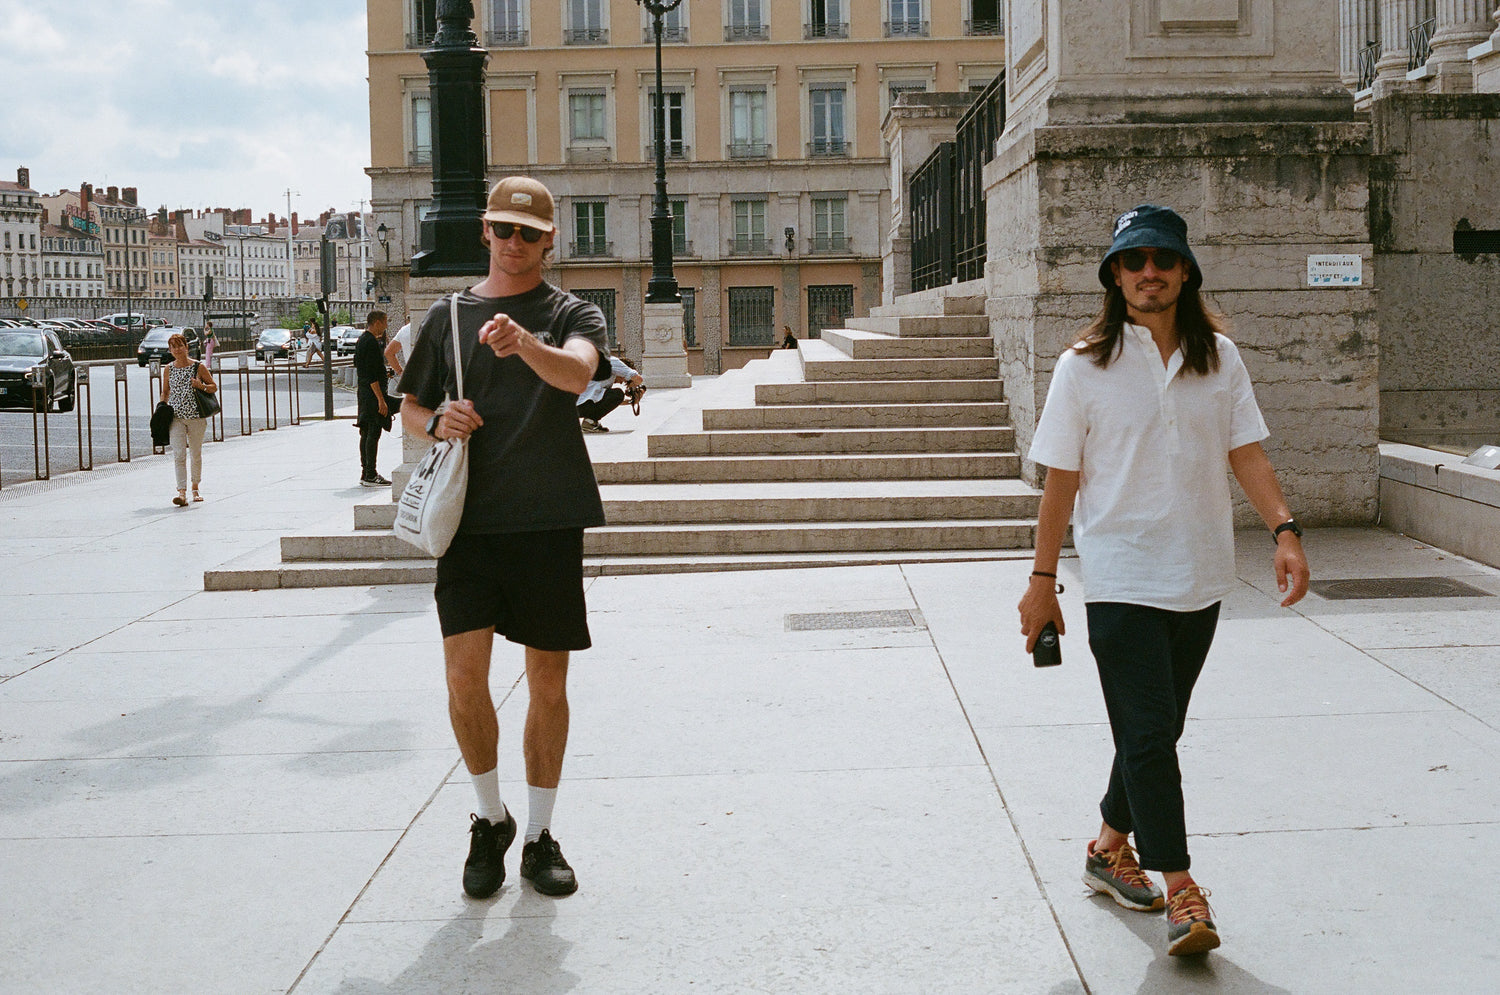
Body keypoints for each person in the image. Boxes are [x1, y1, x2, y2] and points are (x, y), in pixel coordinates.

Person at [1016, 204, 1310, 958]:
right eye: (1134, 260)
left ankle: (1107, 848)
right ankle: (1181, 888)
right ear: (1115, 275)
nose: (1149, 272)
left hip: (1201, 576)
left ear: (1185, 271)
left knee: (1154, 731)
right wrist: (1043, 580)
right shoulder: (1083, 365)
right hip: (1119, 576)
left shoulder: (1221, 359)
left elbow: (1247, 452)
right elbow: (1059, 480)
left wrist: (1284, 530)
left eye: (1163, 259)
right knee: (1150, 734)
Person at [398, 175, 612, 901]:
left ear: (550, 240)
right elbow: (409, 407)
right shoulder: (448, 315)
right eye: (503, 228)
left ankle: (541, 834)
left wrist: (524, 344)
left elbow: (578, 374)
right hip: (469, 525)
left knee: (548, 684)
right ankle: (490, 818)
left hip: (548, 519)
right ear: (484, 232)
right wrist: (436, 422)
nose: (514, 242)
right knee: (464, 680)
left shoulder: (571, 312)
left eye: (529, 232)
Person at [158, 331, 217, 506]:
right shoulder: (168, 369)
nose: (177, 350)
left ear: (186, 347)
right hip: (176, 417)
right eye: (173, 347)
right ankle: (181, 492)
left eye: (180, 346)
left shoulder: (198, 367)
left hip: (196, 417)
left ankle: (195, 487)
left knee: (195, 453)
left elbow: (213, 387)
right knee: (179, 454)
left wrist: (200, 386)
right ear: (170, 350)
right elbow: (165, 391)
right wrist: (161, 408)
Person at [355, 311, 393, 487]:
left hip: (364, 392)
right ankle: (370, 473)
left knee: (366, 432)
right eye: (385, 322)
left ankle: (366, 472)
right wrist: (381, 400)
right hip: (372, 394)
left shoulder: (362, 340)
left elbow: (362, 368)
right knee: (373, 432)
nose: (386, 326)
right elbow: (371, 374)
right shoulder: (370, 342)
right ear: (377, 322)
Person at [576, 355, 642, 432]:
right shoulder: (613, 362)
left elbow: (601, 400)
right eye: (624, 379)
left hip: (575, 407)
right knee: (618, 394)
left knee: (615, 395)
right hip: (580, 406)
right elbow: (639, 379)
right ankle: (589, 422)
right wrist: (636, 385)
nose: (621, 382)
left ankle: (590, 422)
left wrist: (631, 401)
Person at [383, 315, 414, 379]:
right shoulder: (432, 328)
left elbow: (388, 352)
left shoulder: (404, 330)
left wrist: (401, 373)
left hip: (412, 375)